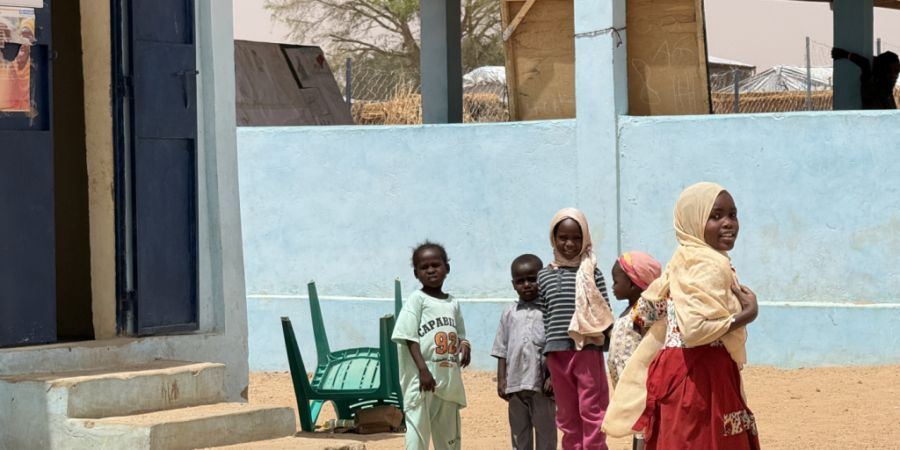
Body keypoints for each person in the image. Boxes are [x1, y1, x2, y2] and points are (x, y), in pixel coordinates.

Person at [602, 182, 760, 450]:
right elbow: (695, 329)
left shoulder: (683, 261)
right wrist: (747, 314)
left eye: (732, 215)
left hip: (681, 371)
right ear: (693, 221)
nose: (728, 223)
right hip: (698, 374)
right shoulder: (705, 264)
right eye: (716, 216)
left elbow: (646, 312)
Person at [539, 208, 614, 450]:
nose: (570, 243)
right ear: (554, 238)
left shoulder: (592, 273)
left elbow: (604, 311)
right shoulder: (544, 276)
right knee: (567, 414)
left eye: (576, 238)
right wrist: (545, 364)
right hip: (556, 353)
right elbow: (543, 317)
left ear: (585, 239)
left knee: (592, 409)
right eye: (563, 237)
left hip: (587, 351)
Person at [391, 241, 471, 450]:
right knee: (418, 432)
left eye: (436, 265)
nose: (430, 270)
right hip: (423, 383)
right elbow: (409, 337)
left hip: (447, 380)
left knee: (448, 435)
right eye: (424, 267)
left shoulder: (453, 303)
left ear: (447, 268)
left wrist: (464, 345)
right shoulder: (417, 300)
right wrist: (423, 370)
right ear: (416, 274)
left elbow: (460, 333)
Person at [492, 254, 557, 450]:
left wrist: (553, 377)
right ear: (513, 284)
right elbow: (501, 348)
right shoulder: (510, 312)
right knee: (519, 435)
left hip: (542, 388)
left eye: (532, 279)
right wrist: (502, 379)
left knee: (546, 434)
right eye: (520, 281)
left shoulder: (549, 311)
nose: (527, 284)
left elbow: (557, 346)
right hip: (515, 386)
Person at [607, 251, 662, 450]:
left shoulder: (642, 313)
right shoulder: (630, 311)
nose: (612, 286)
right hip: (627, 385)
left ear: (632, 284)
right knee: (639, 428)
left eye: (615, 281)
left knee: (645, 428)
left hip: (640, 386)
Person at [832, 47, 900, 109]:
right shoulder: (871, 87)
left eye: (897, 71)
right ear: (882, 71)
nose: (894, 75)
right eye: (889, 71)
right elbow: (865, 64)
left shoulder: (887, 92)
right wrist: (845, 54)